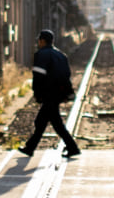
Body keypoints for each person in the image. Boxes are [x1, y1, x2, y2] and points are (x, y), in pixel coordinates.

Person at [23, 29, 81, 157]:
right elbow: (66, 76)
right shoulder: (61, 55)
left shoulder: (41, 54)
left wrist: (37, 93)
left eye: (39, 40)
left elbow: (38, 76)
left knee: (54, 123)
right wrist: (68, 93)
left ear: (42, 41)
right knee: (43, 121)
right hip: (59, 93)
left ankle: (73, 148)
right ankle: (30, 147)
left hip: (48, 93)